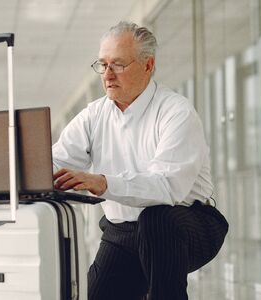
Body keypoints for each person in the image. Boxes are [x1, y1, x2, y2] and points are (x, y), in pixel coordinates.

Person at [52, 21, 229, 300]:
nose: (108, 75)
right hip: (123, 234)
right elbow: (56, 162)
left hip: (187, 225)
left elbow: (167, 187)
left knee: (156, 220)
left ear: (148, 65)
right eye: (102, 65)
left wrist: (102, 182)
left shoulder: (176, 112)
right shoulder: (93, 115)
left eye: (118, 65)